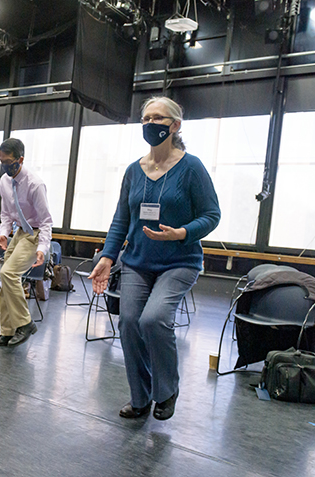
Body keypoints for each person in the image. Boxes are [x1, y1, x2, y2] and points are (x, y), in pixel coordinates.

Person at [89, 97, 220, 421]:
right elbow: (121, 219)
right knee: (130, 322)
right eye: (146, 118)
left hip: (180, 261)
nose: (150, 123)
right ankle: (140, 397)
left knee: (154, 319)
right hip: (137, 261)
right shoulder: (135, 171)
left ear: (174, 126)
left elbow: (211, 214)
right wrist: (107, 257)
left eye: (158, 118)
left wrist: (182, 233)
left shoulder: (192, 168)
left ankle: (167, 390)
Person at [0, 138, 52, 348]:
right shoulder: (4, 182)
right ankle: (7, 331)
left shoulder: (35, 184)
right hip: (18, 232)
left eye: (8, 161)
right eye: (1, 161)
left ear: (20, 159)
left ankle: (25, 323)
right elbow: (5, 213)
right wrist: (4, 233)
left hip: (34, 233)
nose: (4, 166)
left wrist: (43, 248)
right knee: (5, 279)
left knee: (9, 273)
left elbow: (46, 222)